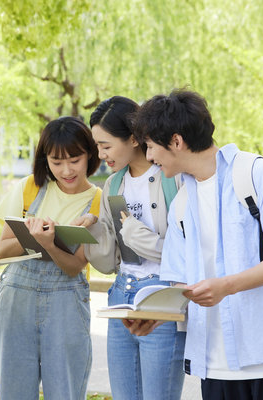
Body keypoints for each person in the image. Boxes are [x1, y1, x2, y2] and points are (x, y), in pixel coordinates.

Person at [128, 89, 263, 399]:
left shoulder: (260, 175)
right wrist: (158, 315)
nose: (148, 157)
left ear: (176, 141)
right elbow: (182, 283)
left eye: (149, 146)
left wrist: (226, 286)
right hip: (216, 363)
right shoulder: (182, 200)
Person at [79, 96, 186, 400]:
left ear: (134, 138)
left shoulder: (172, 178)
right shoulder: (113, 185)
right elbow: (111, 261)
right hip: (120, 295)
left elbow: (188, 253)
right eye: (97, 146)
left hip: (161, 296)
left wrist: (137, 236)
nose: (99, 154)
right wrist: (92, 231)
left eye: (106, 145)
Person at [0, 116, 102, 400]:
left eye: (74, 159)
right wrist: (32, 238)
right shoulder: (30, 187)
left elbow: (76, 266)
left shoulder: (99, 201)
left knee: (65, 390)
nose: (66, 170)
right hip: (16, 300)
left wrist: (49, 245)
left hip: (66, 301)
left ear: (90, 154)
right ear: (45, 160)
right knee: (13, 391)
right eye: (56, 161)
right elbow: (2, 250)